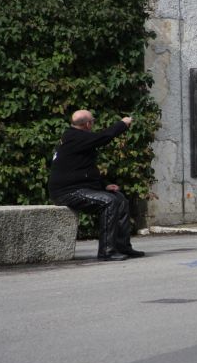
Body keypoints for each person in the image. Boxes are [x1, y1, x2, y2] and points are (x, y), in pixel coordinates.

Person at [49, 110, 145, 261]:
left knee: (119, 198)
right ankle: (106, 251)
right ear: (88, 124)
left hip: (78, 187)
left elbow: (85, 170)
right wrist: (123, 124)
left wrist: (104, 185)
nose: (93, 124)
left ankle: (122, 246)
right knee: (109, 202)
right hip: (67, 192)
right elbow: (103, 137)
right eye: (92, 121)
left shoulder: (76, 137)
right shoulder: (74, 137)